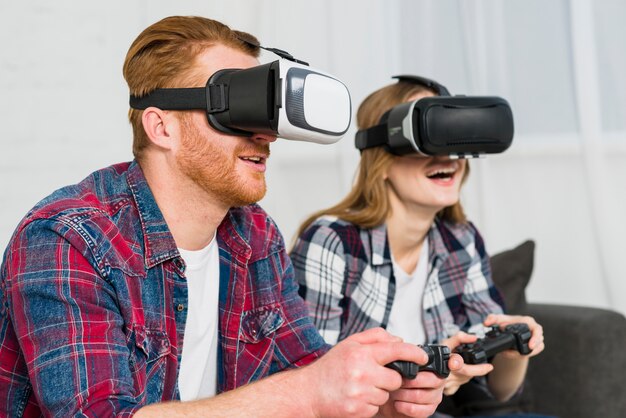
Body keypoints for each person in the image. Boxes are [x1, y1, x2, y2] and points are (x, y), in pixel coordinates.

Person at [0, 16, 462, 417]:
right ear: (162, 127)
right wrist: (310, 392)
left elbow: (306, 368)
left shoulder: (254, 233)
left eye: (263, 110)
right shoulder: (67, 239)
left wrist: (377, 398)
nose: (265, 135)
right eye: (235, 107)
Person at [291, 77, 547, 416]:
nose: (449, 158)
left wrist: (516, 351)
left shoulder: (461, 239)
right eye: (430, 138)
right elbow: (313, 383)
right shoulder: (332, 242)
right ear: (381, 161)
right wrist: (430, 369)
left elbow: (499, 392)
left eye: (455, 140)